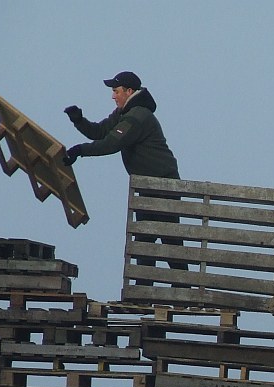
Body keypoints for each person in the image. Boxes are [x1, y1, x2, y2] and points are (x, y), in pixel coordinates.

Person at [62, 71, 185, 272]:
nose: (113, 96)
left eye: (116, 91)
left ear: (129, 91)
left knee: (167, 240)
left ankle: (181, 287)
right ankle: (146, 287)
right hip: (149, 186)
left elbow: (111, 144)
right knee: (146, 240)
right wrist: (79, 120)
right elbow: (100, 132)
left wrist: (80, 150)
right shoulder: (125, 113)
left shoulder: (138, 117)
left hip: (163, 186)